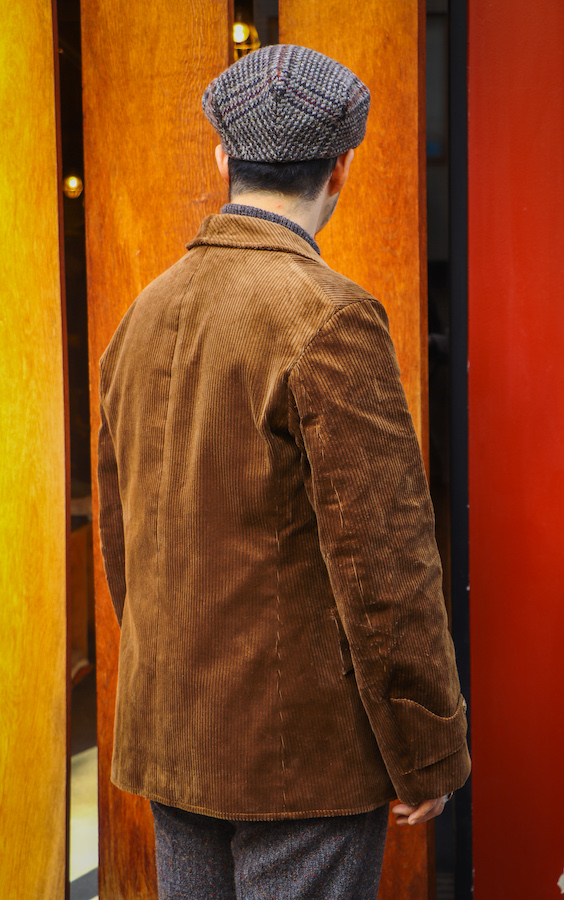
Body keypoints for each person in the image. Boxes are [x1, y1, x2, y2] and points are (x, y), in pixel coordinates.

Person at [97, 43, 470, 900]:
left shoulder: (143, 314)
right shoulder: (330, 317)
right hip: (301, 758)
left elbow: (125, 538)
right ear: (341, 168)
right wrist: (426, 747)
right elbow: (387, 563)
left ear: (221, 159)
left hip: (176, 740)